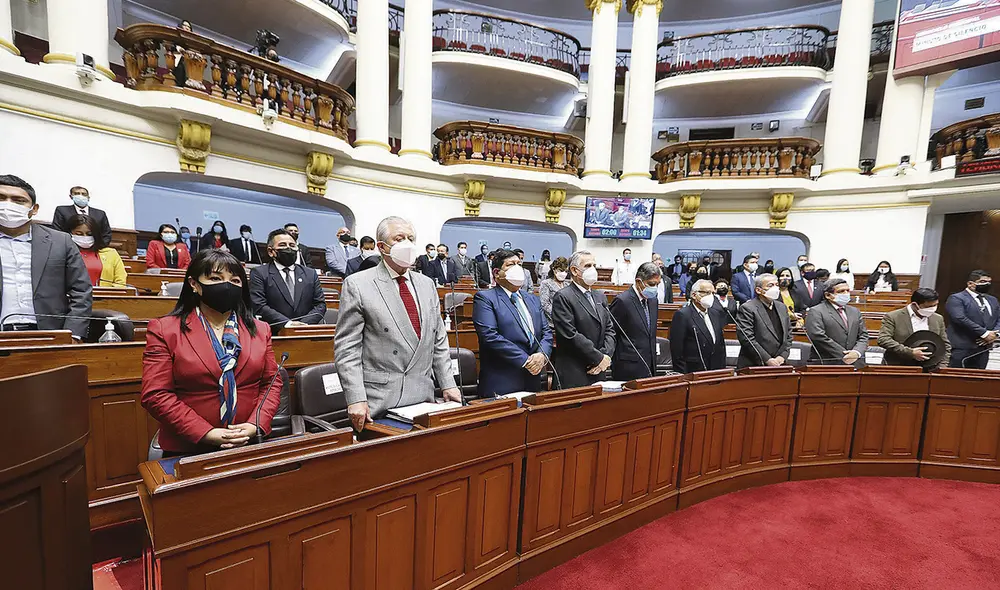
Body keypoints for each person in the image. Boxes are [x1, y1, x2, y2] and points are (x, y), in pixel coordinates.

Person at [141, 249, 282, 455]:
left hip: (250, 442)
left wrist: (254, 425)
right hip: (190, 446)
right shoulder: (165, 329)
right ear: (193, 284)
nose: (226, 285)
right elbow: (156, 394)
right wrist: (208, 433)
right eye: (215, 278)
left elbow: (271, 383)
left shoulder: (260, 329)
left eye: (235, 281)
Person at [335, 216, 461, 430]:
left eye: (411, 238)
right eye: (399, 238)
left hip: (423, 398)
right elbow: (348, 349)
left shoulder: (427, 284)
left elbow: (438, 340)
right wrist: (355, 398)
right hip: (380, 402)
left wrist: (448, 383)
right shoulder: (358, 284)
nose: (407, 244)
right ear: (382, 246)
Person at [0, 175, 92, 339]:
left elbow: (81, 291)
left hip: (50, 335)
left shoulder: (60, 241)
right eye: (1, 198)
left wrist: (73, 335)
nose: (8, 205)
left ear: (34, 209)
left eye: (18, 200)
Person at [472, 248, 554, 396]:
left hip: (532, 379)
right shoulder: (485, 298)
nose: (517, 267)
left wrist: (542, 355)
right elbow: (490, 336)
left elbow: (546, 332)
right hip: (502, 380)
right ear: (497, 273)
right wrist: (526, 361)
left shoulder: (532, 299)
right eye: (511, 264)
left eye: (519, 263)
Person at [550, 250, 616, 388]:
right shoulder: (563, 297)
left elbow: (610, 329)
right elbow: (570, 335)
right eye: (587, 266)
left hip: (599, 369)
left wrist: (605, 357)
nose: (593, 269)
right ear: (574, 270)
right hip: (574, 371)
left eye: (594, 265)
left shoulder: (600, 296)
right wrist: (598, 358)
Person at [249, 228, 327, 336]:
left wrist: (303, 325)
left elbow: (320, 305)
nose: (288, 248)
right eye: (282, 245)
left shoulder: (310, 274)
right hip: (273, 335)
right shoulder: (259, 273)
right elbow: (259, 305)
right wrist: (288, 324)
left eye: (292, 245)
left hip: (305, 334)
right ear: (271, 252)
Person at [609, 262, 661, 380]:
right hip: (627, 366)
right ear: (638, 282)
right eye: (652, 284)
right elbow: (612, 333)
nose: (655, 288)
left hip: (650, 363)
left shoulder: (653, 300)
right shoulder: (623, 301)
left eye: (657, 284)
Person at [878, 288, 950, 369]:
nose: (933, 308)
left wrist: (942, 366)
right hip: (899, 365)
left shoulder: (938, 318)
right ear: (915, 304)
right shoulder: (893, 317)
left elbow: (945, 344)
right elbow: (883, 339)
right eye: (929, 306)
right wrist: (910, 352)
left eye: (935, 305)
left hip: (930, 368)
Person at [805, 278, 868, 367]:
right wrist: (844, 355)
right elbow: (818, 336)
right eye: (841, 291)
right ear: (828, 295)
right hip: (827, 363)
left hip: (855, 362)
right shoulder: (816, 311)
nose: (846, 293)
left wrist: (856, 353)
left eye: (848, 290)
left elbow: (863, 335)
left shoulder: (855, 311)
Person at [735, 274, 794, 368]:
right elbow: (747, 338)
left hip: (780, 363)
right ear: (758, 290)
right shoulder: (748, 308)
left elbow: (789, 335)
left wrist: (782, 356)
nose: (775, 288)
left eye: (777, 285)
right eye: (770, 285)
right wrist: (767, 359)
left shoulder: (782, 307)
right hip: (755, 364)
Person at [945, 270, 1000, 369]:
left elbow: (998, 319)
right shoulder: (957, 298)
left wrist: (994, 335)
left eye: (989, 282)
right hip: (962, 347)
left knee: (977, 381)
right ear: (970, 284)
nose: (987, 284)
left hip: (983, 349)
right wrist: (984, 334)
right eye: (983, 282)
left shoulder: (992, 300)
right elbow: (960, 318)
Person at [669, 279, 726, 373]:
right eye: (707, 293)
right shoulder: (683, 315)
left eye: (712, 293)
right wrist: (682, 376)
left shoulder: (715, 313)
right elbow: (677, 351)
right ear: (694, 295)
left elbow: (720, 345)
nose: (711, 296)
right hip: (693, 371)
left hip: (715, 371)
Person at [68, 214, 127, 287]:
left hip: (104, 296)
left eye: (89, 234)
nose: (85, 237)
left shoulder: (111, 254)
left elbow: (120, 282)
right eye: (79, 234)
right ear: (70, 234)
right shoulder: (64, 253)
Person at [538, 256, 570, 325]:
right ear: (554, 269)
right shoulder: (546, 283)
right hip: (552, 321)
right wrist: (559, 315)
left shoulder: (567, 285)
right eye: (561, 270)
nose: (564, 273)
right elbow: (544, 304)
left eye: (566, 271)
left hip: (567, 321)